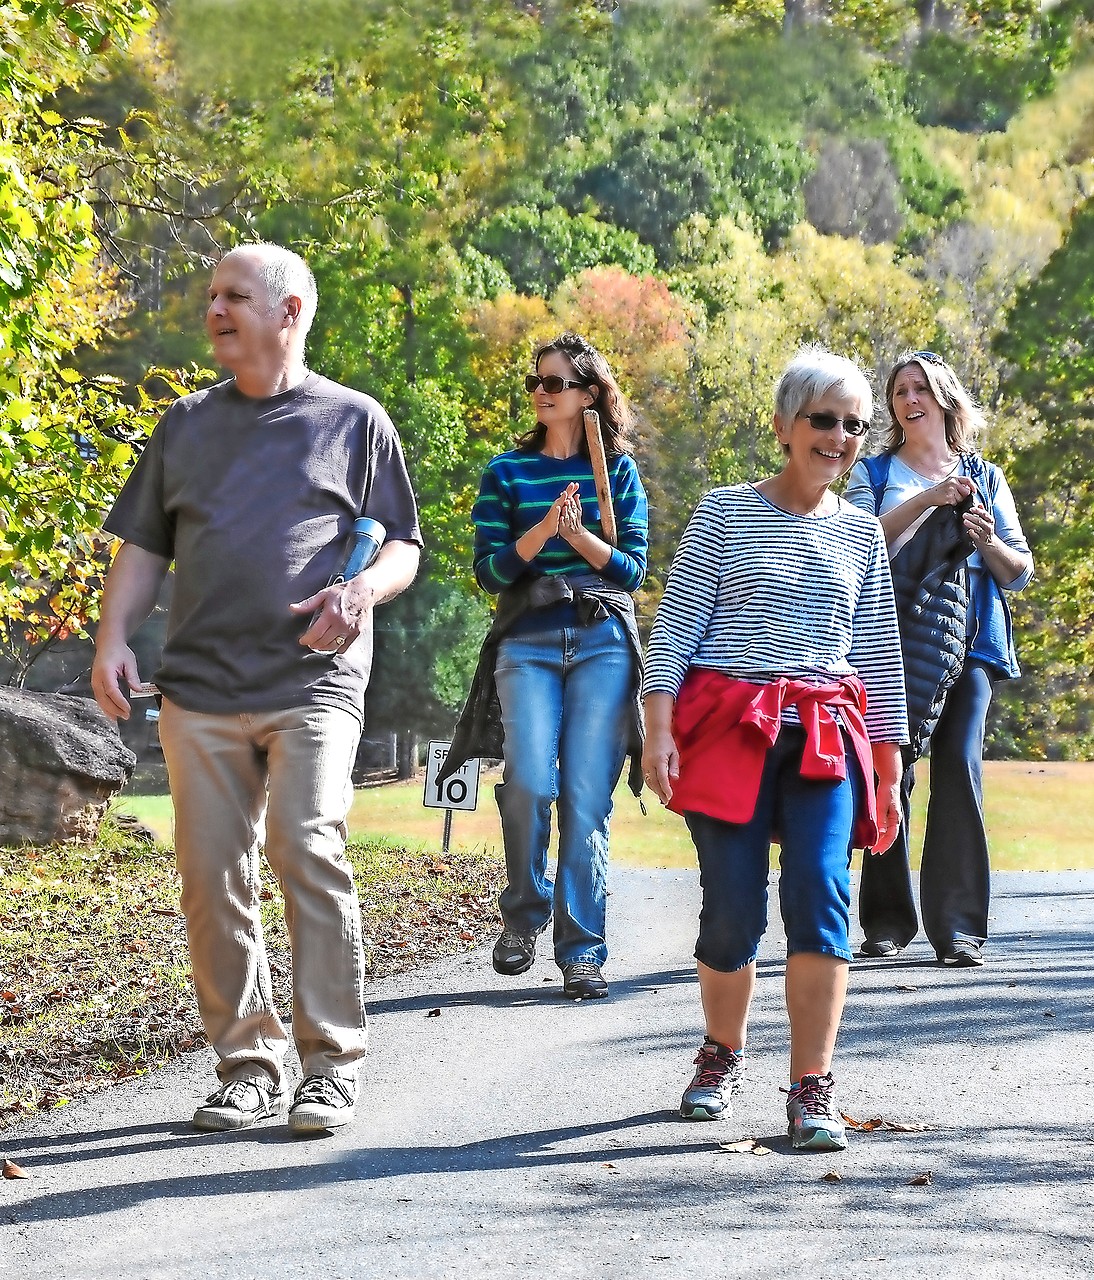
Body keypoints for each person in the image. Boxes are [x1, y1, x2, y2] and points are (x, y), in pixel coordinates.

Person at [91, 243, 422, 1134]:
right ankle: (247, 1059)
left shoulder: (355, 422)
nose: (215, 310)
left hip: (313, 679)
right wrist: (113, 636)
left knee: (305, 843)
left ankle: (331, 1063)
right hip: (199, 687)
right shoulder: (186, 427)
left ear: (292, 310)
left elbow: (403, 545)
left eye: (236, 295)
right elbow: (144, 548)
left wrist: (361, 592)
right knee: (209, 875)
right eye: (209, 296)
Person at [643, 346, 907, 1152]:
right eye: (823, 420)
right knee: (731, 909)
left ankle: (811, 1086)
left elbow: (880, 659)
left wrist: (890, 776)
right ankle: (721, 1054)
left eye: (855, 425)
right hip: (728, 725)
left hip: (825, 732)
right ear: (784, 426)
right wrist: (657, 728)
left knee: (821, 897)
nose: (838, 436)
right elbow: (678, 626)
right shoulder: (725, 512)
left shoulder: (862, 535)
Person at [441, 332, 648, 1000]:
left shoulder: (616, 472)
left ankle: (583, 952)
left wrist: (579, 535)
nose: (540, 391)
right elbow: (490, 570)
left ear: (588, 395)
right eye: (536, 381)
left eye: (555, 383)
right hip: (526, 640)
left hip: (602, 642)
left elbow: (633, 571)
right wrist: (544, 533)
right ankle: (523, 915)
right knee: (529, 782)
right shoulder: (506, 472)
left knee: (587, 803)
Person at [845, 350, 1033, 968]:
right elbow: (855, 541)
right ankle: (887, 922)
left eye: (920, 387)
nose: (908, 398)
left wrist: (987, 539)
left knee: (957, 763)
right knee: (888, 767)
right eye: (899, 391)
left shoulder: (985, 474)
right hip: (885, 637)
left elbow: (1018, 572)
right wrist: (928, 502)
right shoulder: (873, 474)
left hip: (972, 639)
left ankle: (958, 928)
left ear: (945, 399)